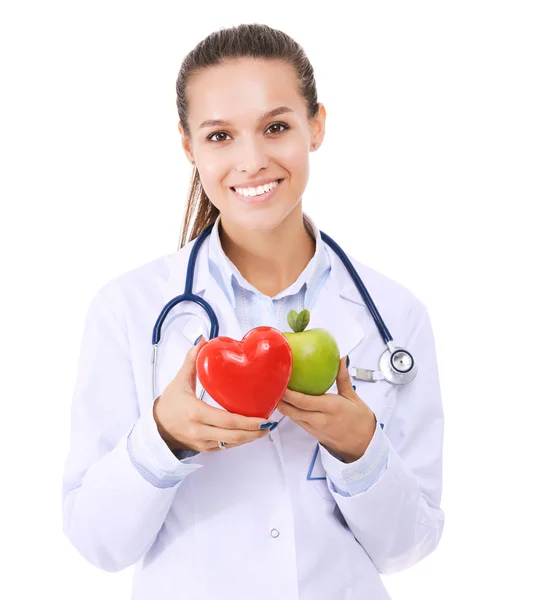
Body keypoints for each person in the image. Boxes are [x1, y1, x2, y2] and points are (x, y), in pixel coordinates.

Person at [62, 23, 445, 600]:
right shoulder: (128, 309)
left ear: (316, 125)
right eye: (220, 136)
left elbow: (407, 550)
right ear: (188, 147)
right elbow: (98, 544)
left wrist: (361, 448)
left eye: (276, 127)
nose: (252, 160)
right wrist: (161, 436)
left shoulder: (394, 315)